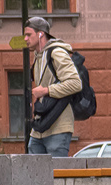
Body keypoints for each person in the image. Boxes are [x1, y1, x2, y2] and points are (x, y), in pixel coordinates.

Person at [25, 15, 82, 156]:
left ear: (40, 34)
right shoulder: (38, 56)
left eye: (28, 35)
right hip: (40, 126)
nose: (25, 39)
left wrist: (46, 91)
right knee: (34, 172)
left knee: (56, 175)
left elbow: (75, 83)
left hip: (58, 127)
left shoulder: (56, 52)